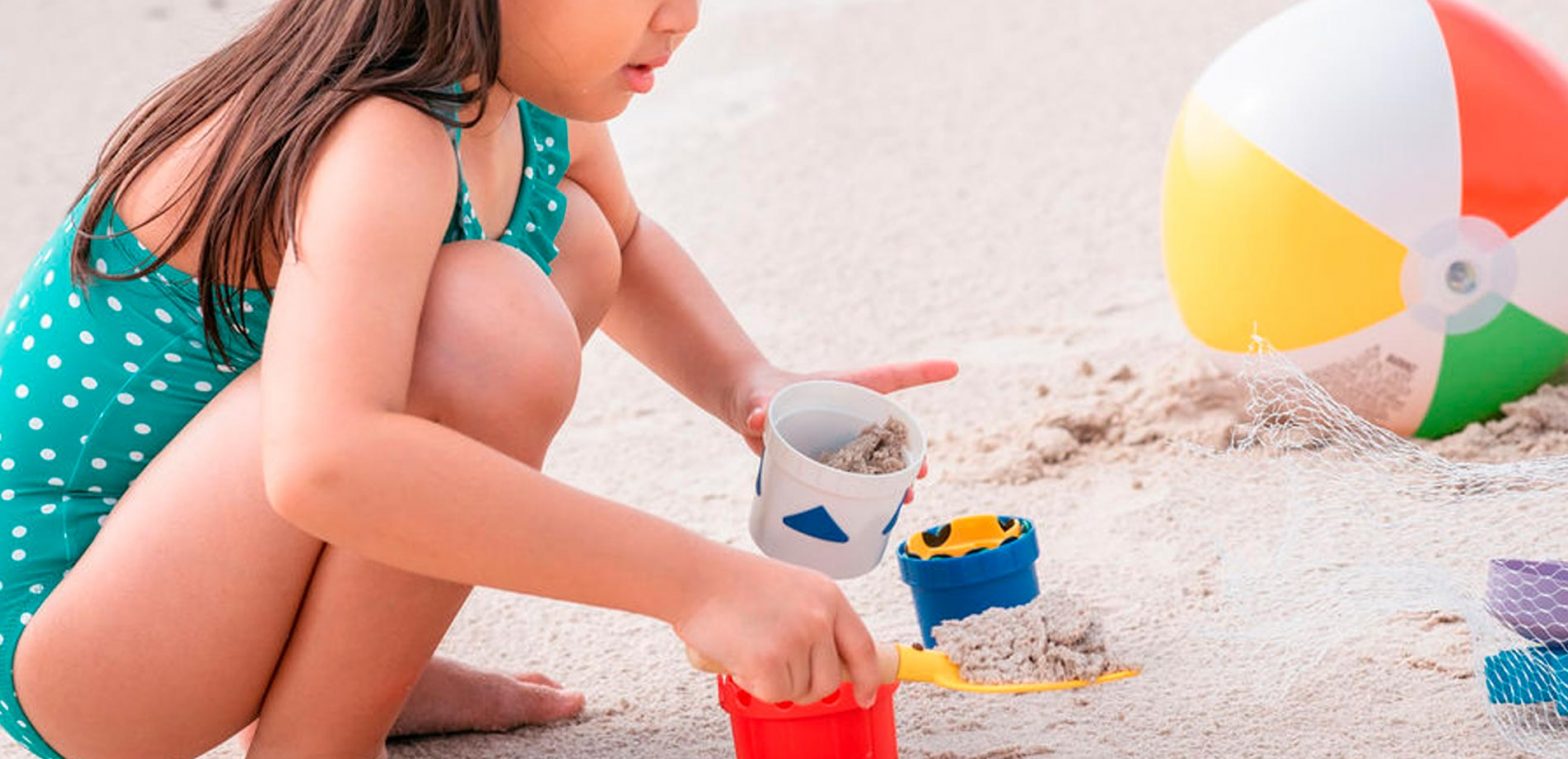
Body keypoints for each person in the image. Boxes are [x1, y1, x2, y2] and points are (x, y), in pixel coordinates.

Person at [0, 1, 958, 757]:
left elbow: (623, 237)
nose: (686, 15)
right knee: (487, 325)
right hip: (84, 644)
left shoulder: (522, 100)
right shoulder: (378, 135)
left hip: (187, 565)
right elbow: (324, 462)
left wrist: (746, 382)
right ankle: (317, 738)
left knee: (574, 241)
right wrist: (702, 585)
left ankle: (345, 667)